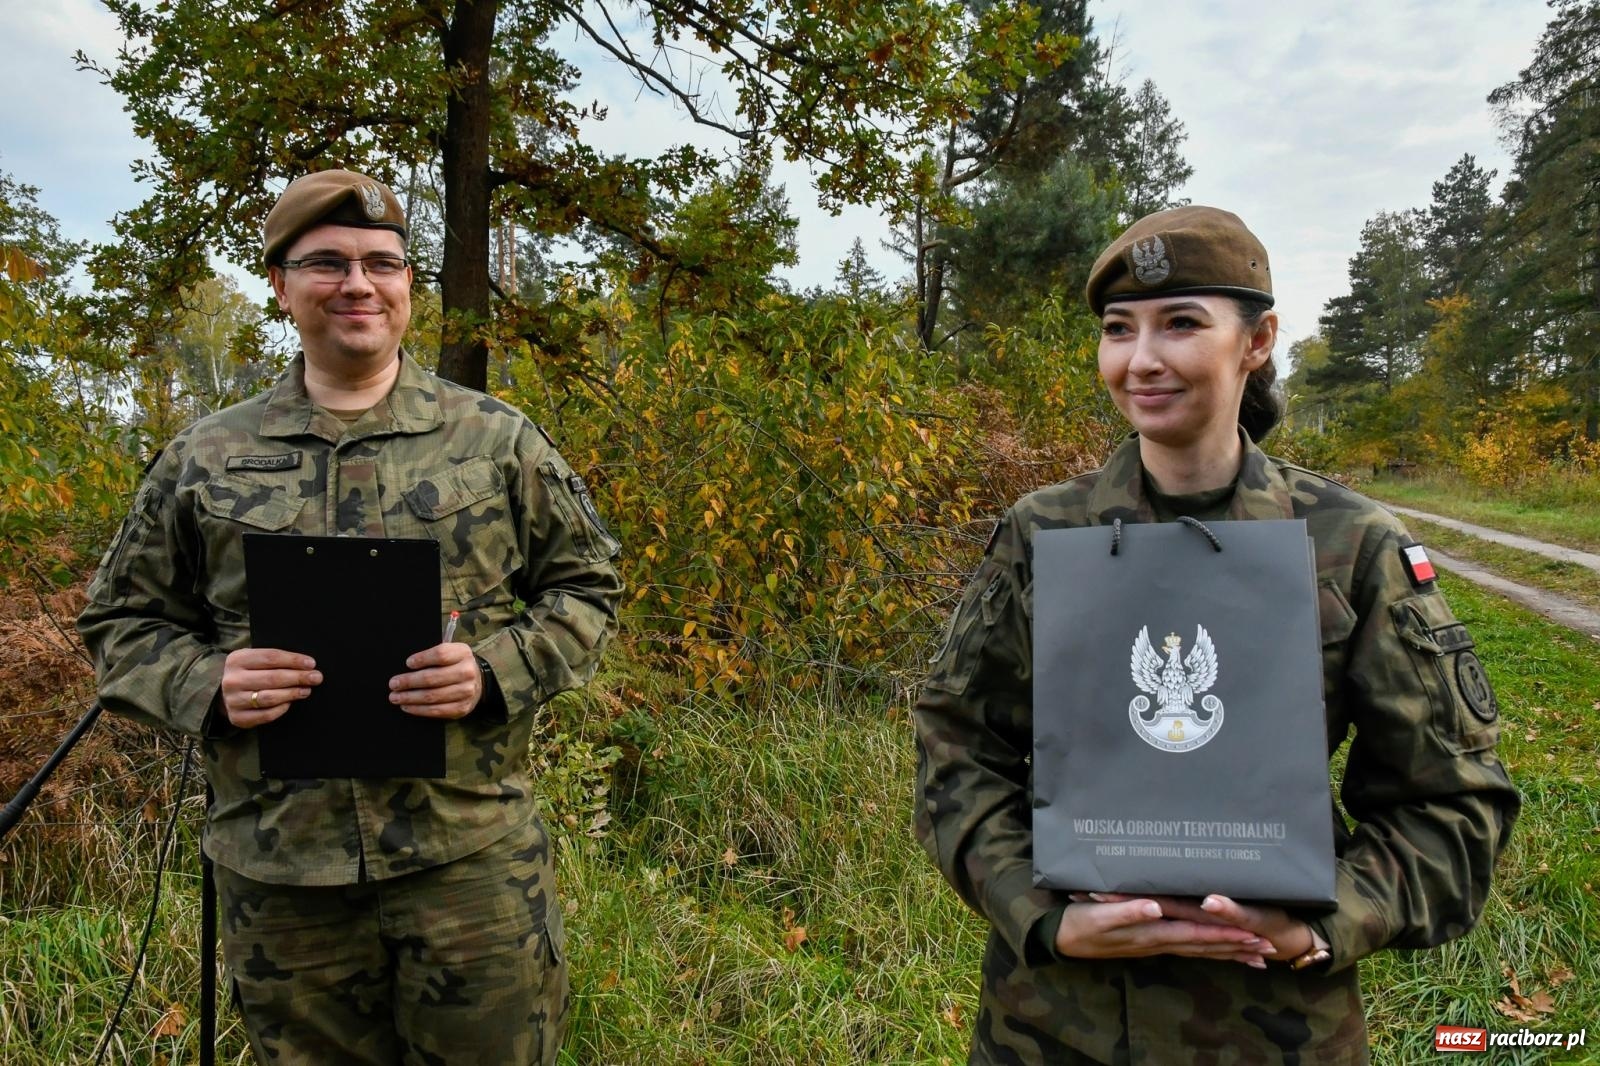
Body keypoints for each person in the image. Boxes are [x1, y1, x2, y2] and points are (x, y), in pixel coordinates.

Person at [913, 205, 1519, 1065]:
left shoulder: (1349, 545)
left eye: (1182, 324)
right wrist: (1043, 914)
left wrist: (1317, 922)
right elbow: (957, 745)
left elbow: (1454, 803)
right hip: (1052, 1029)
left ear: (1259, 340)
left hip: (1275, 1033)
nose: (1142, 359)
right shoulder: (1045, 533)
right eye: (1119, 331)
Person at [78, 169, 623, 1065]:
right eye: (326, 263)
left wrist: (497, 670)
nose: (358, 284)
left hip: (470, 862)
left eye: (384, 263)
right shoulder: (206, 456)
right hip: (281, 877)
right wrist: (208, 683)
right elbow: (121, 622)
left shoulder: (495, 439)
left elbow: (588, 586)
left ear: (410, 285)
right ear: (280, 285)